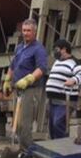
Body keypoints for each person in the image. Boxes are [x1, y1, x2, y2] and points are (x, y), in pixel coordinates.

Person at [5, 20, 49, 150]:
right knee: (17, 124)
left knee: (25, 124)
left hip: (30, 89)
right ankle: (22, 150)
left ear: (34, 32)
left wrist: (28, 79)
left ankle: (29, 151)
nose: (25, 33)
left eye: (28, 31)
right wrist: (7, 80)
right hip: (17, 89)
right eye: (24, 30)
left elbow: (42, 68)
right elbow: (13, 65)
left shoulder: (39, 49)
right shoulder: (19, 47)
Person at [43, 41, 81, 140]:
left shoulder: (74, 62)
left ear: (64, 49)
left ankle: (63, 146)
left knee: (58, 123)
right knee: (51, 127)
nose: (55, 52)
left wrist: (73, 80)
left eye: (57, 50)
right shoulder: (57, 61)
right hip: (52, 100)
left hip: (65, 101)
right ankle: (55, 147)